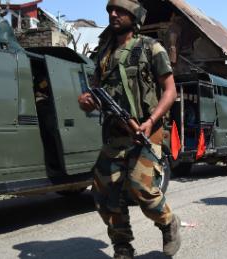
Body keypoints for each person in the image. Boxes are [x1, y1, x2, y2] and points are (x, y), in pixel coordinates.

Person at [77, 1, 181, 258]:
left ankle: (168, 223)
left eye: (119, 10)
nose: (113, 14)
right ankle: (122, 246)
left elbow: (170, 91)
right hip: (115, 135)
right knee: (103, 194)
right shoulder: (103, 54)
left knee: (142, 190)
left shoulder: (150, 48)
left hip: (146, 131)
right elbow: (96, 95)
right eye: (110, 10)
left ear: (133, 16)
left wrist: (151, 120)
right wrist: (86, 101)